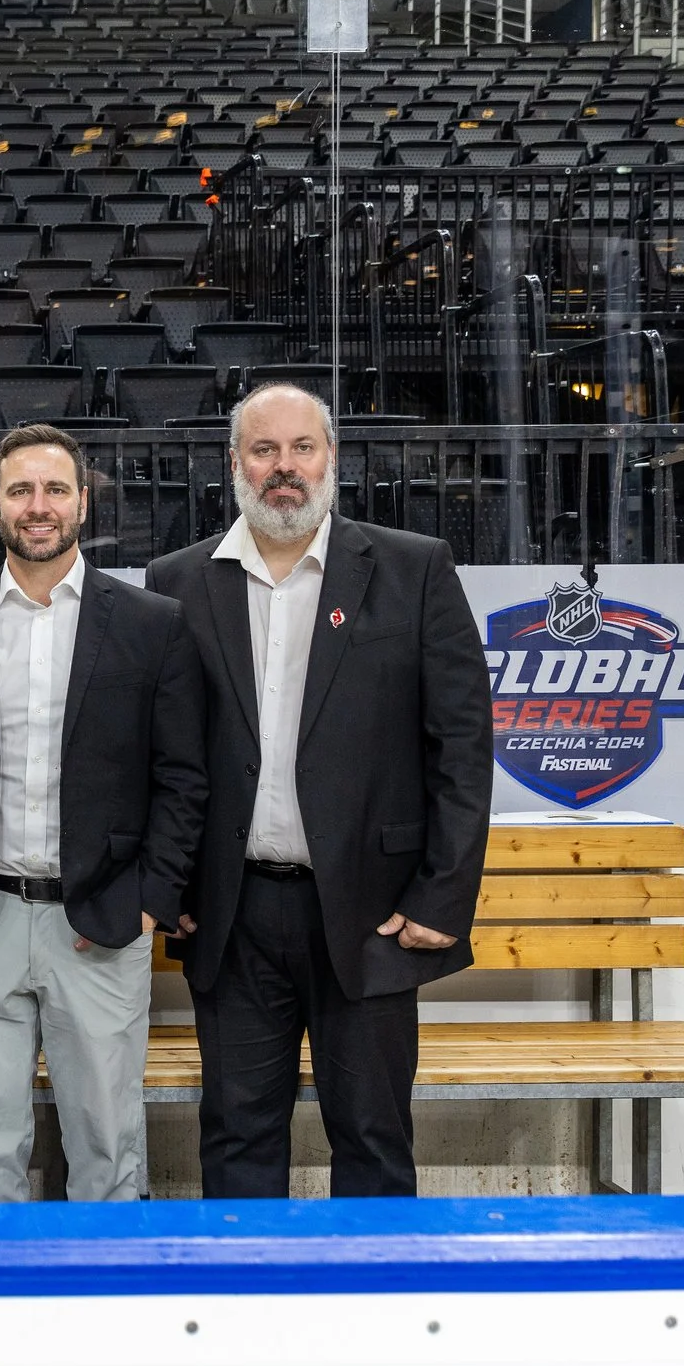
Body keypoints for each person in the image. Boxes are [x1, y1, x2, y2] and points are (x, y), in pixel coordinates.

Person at [146, 385, 492, 1199]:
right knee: (235, 1137)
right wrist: (170, 884)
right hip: (232, 917)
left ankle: (370, 1322)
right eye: (264, 451)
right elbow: (154, 752)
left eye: (302, 448)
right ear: (235, 465)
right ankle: (243, 1320)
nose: (284, 469)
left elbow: (464, 745)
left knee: (372, 1137)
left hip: (373, 914)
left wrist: (444, 896)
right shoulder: (177, 581)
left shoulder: (413, 569)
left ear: (331, 458)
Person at [0, 425, 207, 1203]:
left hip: (103, 922)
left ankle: (104, 1314)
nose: (37, 507)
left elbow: (183, 778)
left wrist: (150, 900)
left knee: (108, 1143)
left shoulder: (151, 623)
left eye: (53, 489)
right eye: (20, 490)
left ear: (84, 499)